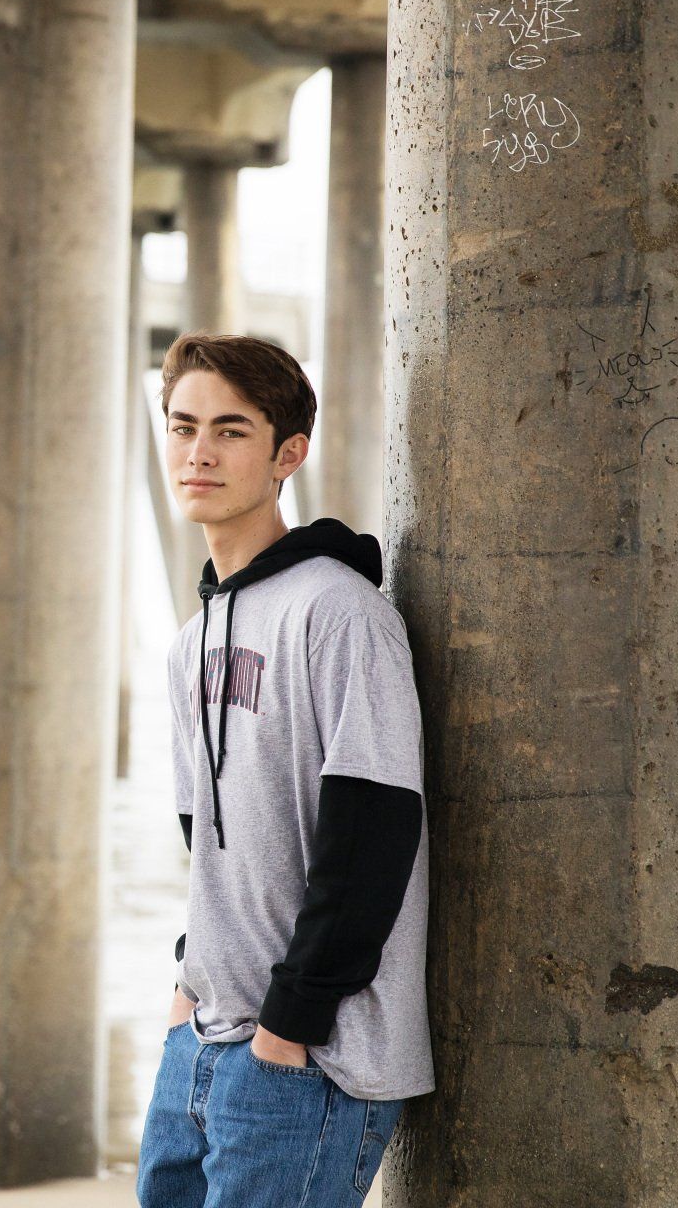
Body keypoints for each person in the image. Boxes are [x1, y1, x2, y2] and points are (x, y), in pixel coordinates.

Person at [135, 333, 433, 1208]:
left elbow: (373, 833)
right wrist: (190, 982)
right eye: (184, 426)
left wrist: (289, 1026)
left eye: (231, 430)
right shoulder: (193, 641)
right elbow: (208, 843)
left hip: (309, 1054)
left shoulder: (341, 615)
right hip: (202, 1038)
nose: (199, 451)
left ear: (286, 453)